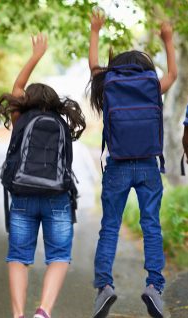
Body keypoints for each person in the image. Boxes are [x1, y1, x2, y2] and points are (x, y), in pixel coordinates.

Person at [89, 8, 177, 318]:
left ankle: (104, 287)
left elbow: (92, 67)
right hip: (149, 165)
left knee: (109, 227)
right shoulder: (152, 85)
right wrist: (167, 39)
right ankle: (154, 286)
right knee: (151, 227)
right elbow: (173, 75)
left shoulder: (108, 85)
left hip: (118, 166)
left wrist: (95, 31)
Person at [0, 33, 86, 318]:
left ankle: (18, 315)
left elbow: (18, 87)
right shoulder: (61, 122)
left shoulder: (20, 118)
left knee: (18, 258)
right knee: (59, 257)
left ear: (28, 101)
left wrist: (35, 55)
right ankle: (43, 312)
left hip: (22, 195)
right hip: (57, 197)